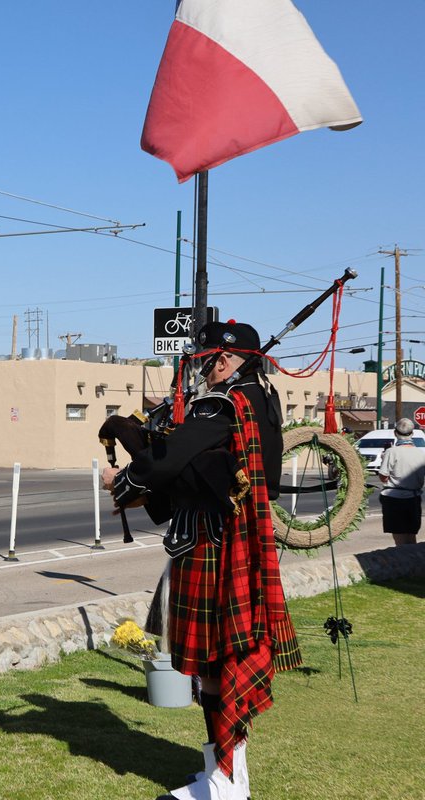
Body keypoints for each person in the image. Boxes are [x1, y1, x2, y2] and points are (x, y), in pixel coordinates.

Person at [101, 319, 301, 800]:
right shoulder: (262, 401)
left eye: (205, 361)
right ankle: (224, 775)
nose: (200, 371)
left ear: (226, 360)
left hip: (213, 543)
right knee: (219, 663)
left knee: (217, 662)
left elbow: (170, 461)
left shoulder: (223, 402)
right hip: (238, 540)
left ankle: (227, 782)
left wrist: (123, 481)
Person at [377, 417, 425, 546]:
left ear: (395, 433)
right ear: (412, 433)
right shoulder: (421, 454)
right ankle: (414, 563)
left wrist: (384, 458)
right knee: (411, 536)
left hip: (394, 498)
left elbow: (383, 477)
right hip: (414, 498)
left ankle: (404, 564)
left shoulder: (391, 452)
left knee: (400, 539)